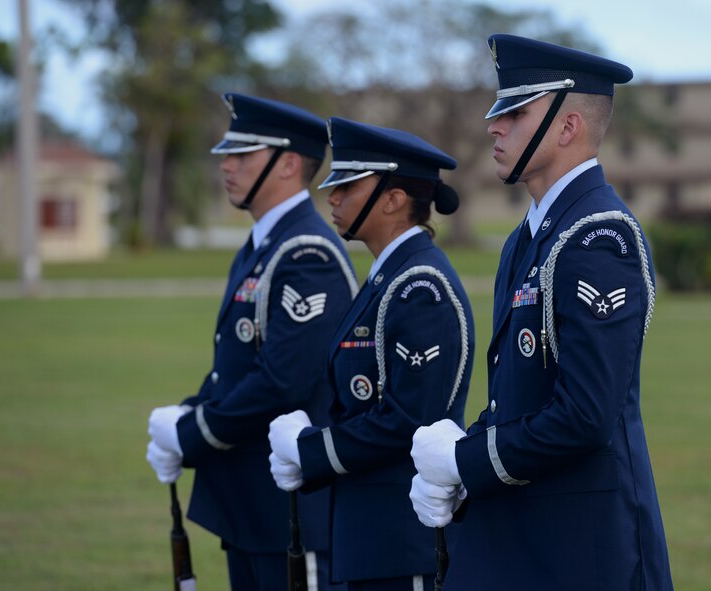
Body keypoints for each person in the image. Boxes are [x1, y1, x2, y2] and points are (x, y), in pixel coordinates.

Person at [409, 33, 673, 590]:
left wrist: (466, 463)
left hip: (584, 548)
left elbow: (587, 416)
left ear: (567, 126)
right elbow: (516, 398)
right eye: (497, 111)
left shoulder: (599, 236)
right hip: (530, 535)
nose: (493, 126)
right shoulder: (530, 236)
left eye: (515, 112)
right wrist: (463, 457)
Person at [145, 93, 358, 591]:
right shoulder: (263, 244)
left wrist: (194, 433)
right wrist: (189, 412)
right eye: (227, 153)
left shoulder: (307, 253)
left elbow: (283, 380)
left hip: (288, 506)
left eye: (243, 154)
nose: (227, 164)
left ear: (287, 164)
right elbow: (235, 364)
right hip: (252, 503)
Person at [267, 116, 475, 591]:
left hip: (403, 541)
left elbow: (407, 420)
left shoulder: (420, 286)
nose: (332, 197)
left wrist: (308, 449)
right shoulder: (389, 276)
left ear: (395, 199)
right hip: (372, 537)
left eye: (348, 186)